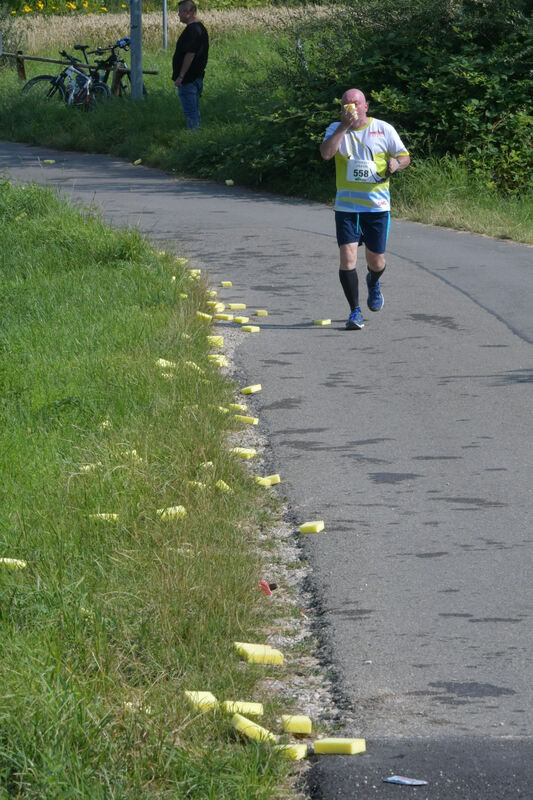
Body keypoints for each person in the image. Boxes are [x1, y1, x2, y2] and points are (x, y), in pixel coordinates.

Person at [320, 89, 410, 330]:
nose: (351, 107)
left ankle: (374, 281)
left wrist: (396, 163)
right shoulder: (335, 129)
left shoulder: (383, 129)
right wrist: (342, 128)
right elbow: (326, 154)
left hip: (376, 207)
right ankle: (354, 311)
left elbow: (404, 157)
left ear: (366, 106)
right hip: (347, 207)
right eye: (346, 104)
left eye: (356, 103)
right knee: (348, 258)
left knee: (376, 260)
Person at [172, 0, 209, 129]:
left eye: (180, 12)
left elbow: (190, 54)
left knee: (191, 114)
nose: (178, 15)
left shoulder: (193, 30)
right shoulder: (200, 28)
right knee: (194, 111)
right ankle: (196, 137)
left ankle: (194, 138)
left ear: (188, 13)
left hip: (188, 79)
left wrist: (181, 76)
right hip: (196, 77)